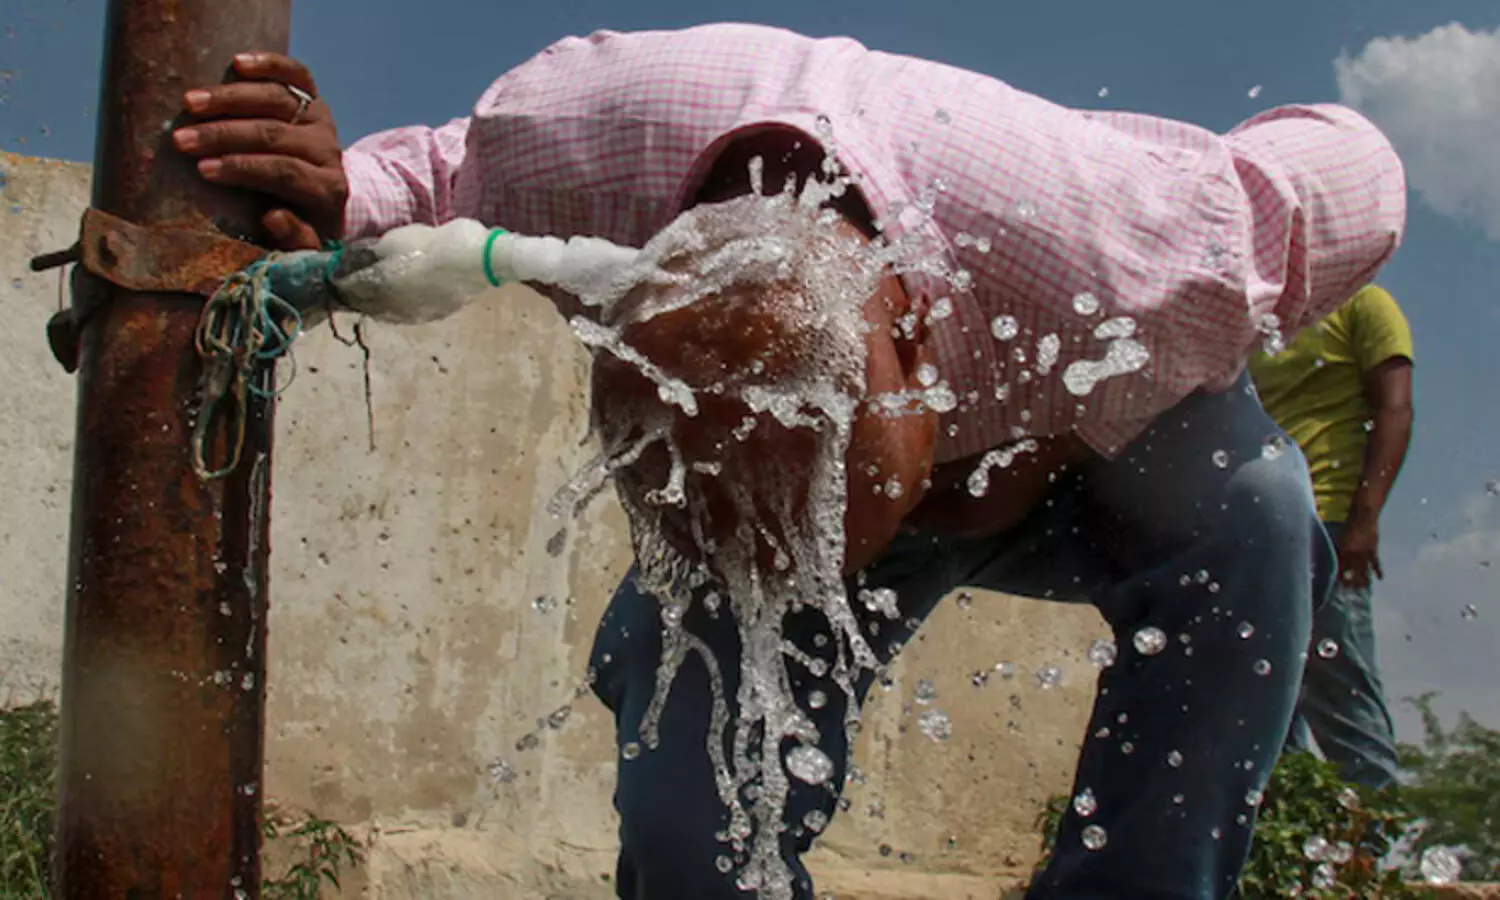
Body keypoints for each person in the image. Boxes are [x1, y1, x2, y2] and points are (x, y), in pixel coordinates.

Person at [173, 23, 1406, 899]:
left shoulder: (1148, 239)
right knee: (688, 815)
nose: (770, 584)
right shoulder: (579, 140)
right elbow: (438, 176)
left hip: (1104, 448)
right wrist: (343, 189)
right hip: (797, 452)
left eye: (798, 549)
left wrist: (1059, 422)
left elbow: (1355, 161)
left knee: (1256, 512)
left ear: (921, 349)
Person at [1248, 286, 1415, 790]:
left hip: (1329, 523)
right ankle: (1290, 838)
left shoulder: (1367, 304)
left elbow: (1396, 409)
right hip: (1256, 530)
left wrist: (1365, 519)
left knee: (1339, 685)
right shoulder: (1259, 316)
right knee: (1266, 696)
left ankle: (1369, 847)